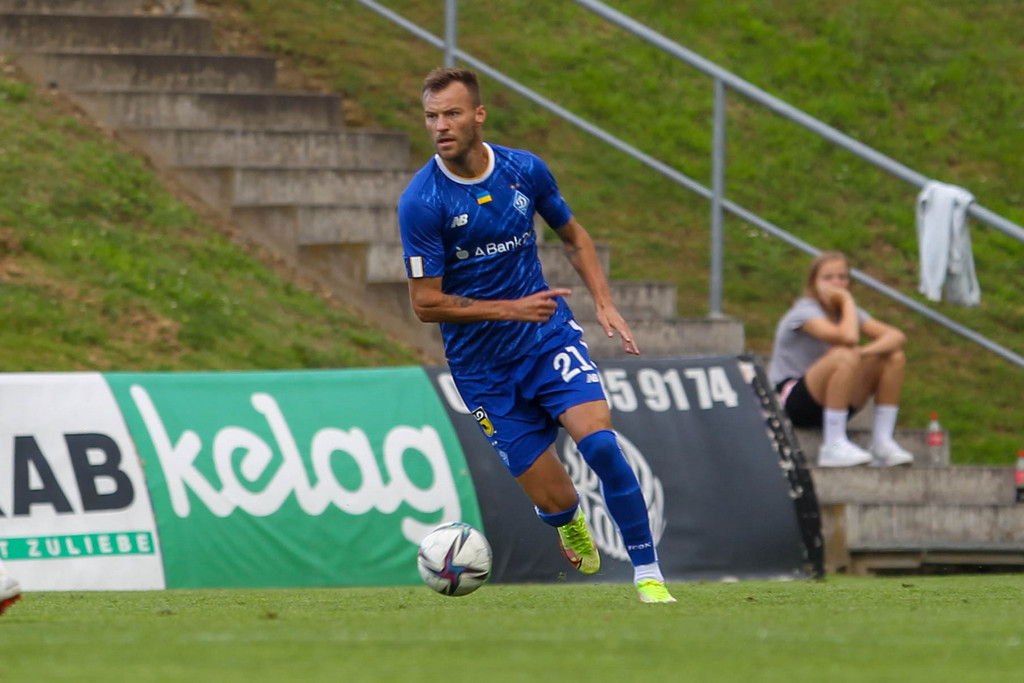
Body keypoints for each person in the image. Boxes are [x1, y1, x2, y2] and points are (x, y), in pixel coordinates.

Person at [398, 67, 675, 603]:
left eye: (452, 114)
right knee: (557, 498)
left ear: (478, 115)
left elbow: (573, 236)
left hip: (547, 339)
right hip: (481, 370)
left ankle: (648, 574)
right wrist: (508, 309)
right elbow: (425, 303)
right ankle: (568, 521)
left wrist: (604, 302)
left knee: (601, 445)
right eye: (431, 117)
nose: (440, 126)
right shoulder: (422, 202)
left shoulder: (524, 170)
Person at [769, 250, 914, 467]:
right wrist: (846, 300)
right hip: (792, 402)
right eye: (827, 278)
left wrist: (862, 354)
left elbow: (896, 336)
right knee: (844, 354)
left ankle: (882, 442)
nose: (836, 284)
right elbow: (848, 337)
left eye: (842, 277)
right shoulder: (804, 312)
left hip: (833, 398)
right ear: (813, 283)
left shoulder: (847, 313)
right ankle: (833, 444)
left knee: (894, 356)